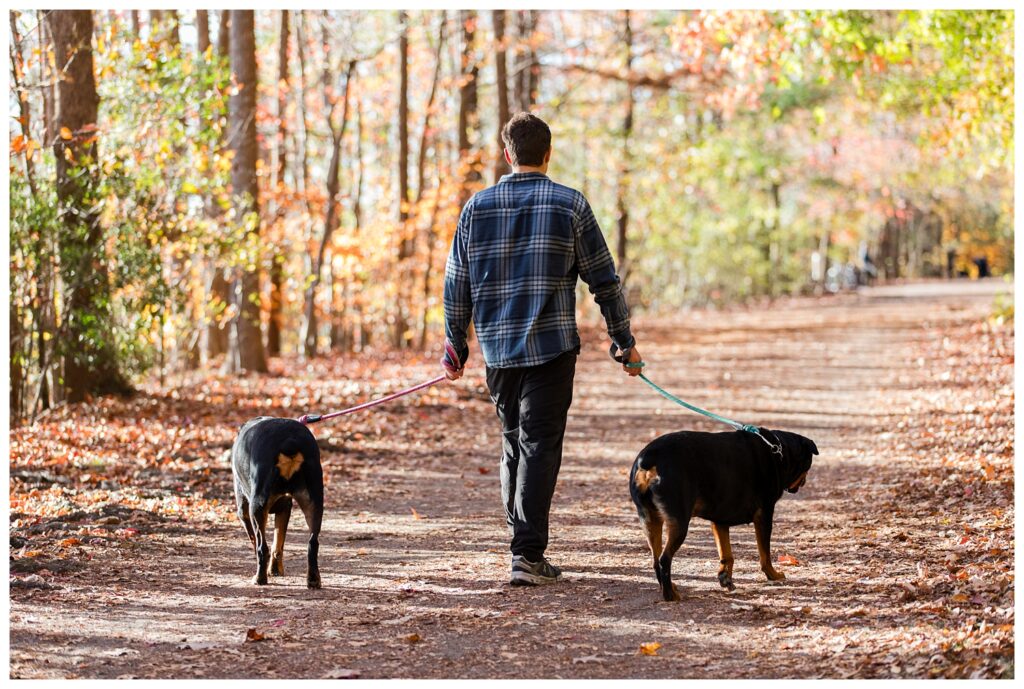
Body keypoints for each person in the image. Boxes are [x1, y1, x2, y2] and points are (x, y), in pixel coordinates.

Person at [442, 112, 642, 586]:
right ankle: (527, 553)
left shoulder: (476, 208)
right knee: (538, 444)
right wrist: (623, 341)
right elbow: (605, 281)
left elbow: (457, 283)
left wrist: (455, 344)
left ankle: (522, 545)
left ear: (507, 154)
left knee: (515, 439)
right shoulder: (570, 204)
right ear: (547, 154)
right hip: (552, 349)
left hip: (498, 351)